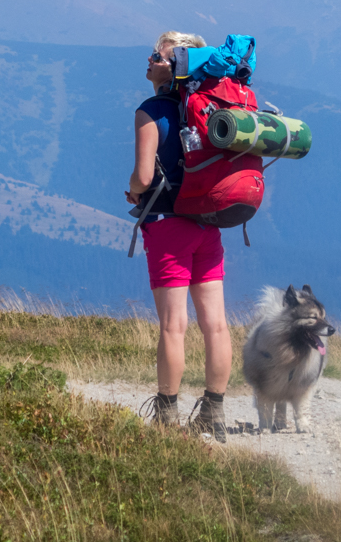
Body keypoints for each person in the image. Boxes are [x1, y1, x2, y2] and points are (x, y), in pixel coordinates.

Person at [126, 31, 230, 442]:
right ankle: (214, 412)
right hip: (208, 223)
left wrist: (134, 189)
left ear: (174, 66)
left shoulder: (150, 111)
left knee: (173, 326)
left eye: (157, 55)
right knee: (216, 325)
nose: (149, 59)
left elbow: (144, 176)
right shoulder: (209, 110)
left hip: (169, 225)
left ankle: (166, 415)